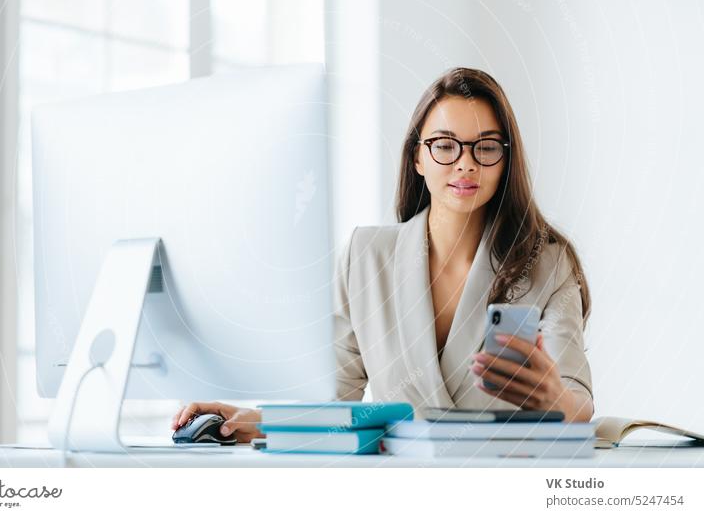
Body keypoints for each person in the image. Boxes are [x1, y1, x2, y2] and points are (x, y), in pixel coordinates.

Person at [171, 67, 594, 443]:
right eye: (445, 146)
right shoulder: (366, 257)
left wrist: (554, 398)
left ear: (505, 160)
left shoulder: (548, 264)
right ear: (417, 157)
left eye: (485, 147)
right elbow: (336, 402)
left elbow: (578, 403)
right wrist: (253, 420)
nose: (466, 164)